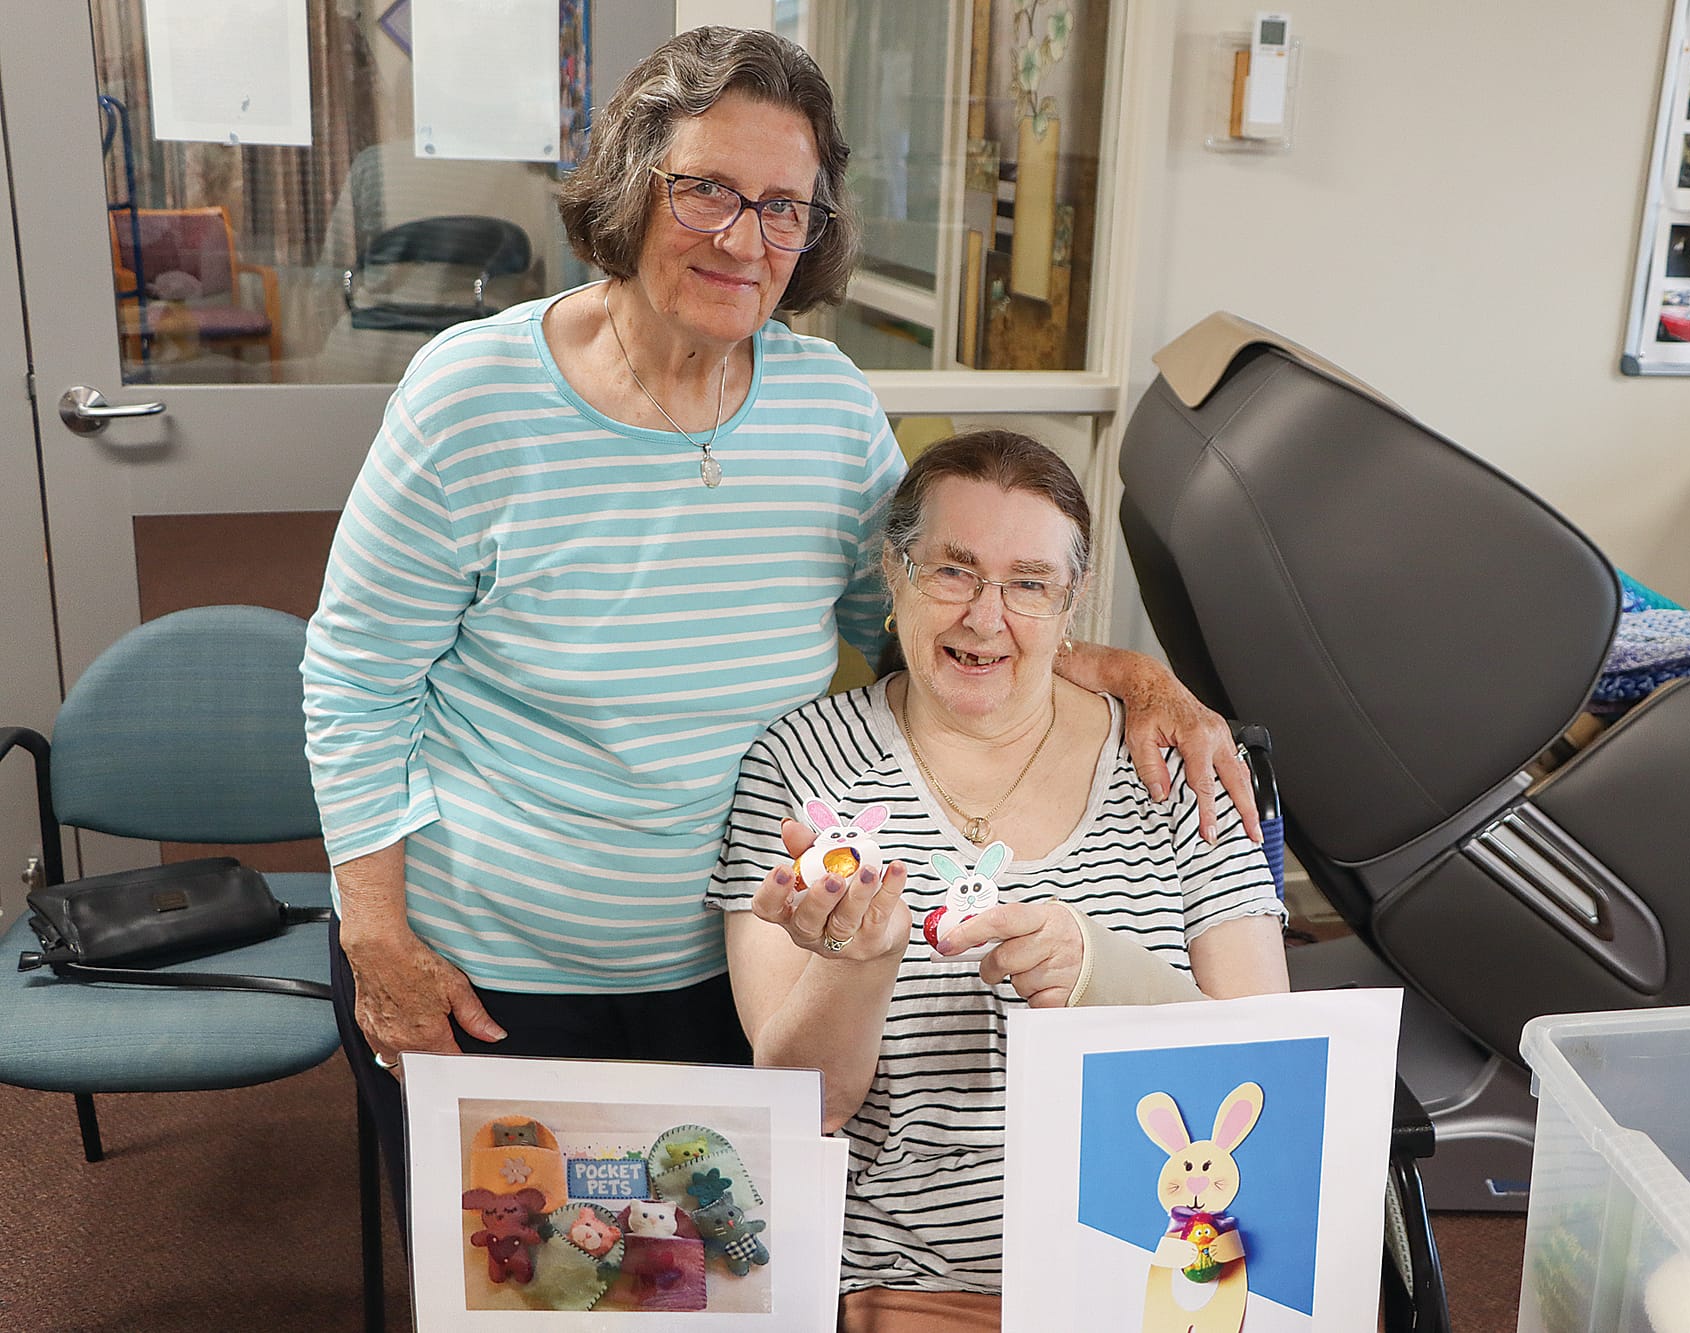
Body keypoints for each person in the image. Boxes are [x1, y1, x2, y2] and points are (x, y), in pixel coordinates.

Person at [301, 28, 1255, 1223]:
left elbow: (915, 621)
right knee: (529, 1276)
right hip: (495, 965)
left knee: (702, 1277)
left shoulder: (826, 408)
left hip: (733, 968)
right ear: (630, 187)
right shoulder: (470, 397)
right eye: (705, 189)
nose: (743, 238)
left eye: (783, 207)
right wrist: (375, 932)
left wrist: (1119, 672)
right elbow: (353, 683)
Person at [709, 431, 1289, 1333]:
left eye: (1028, 583)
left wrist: (1100, 976)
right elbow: (805, 1103)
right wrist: (859, 961)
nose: (986, 617)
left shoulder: (1172, 762)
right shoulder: (800, 766)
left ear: (1072, 602)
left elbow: (1270, 1068)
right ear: (893, 575)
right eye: (952, 570)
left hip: (1166, 1266)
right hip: (916, 1279)